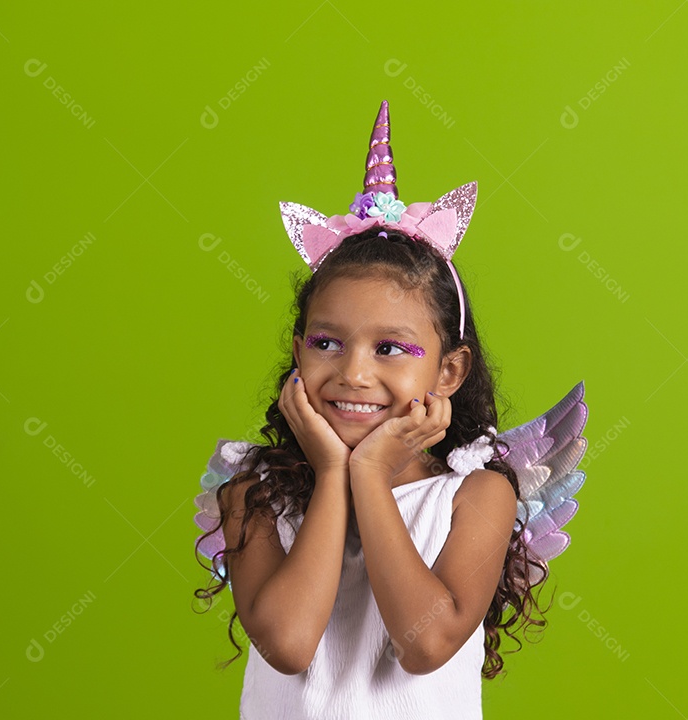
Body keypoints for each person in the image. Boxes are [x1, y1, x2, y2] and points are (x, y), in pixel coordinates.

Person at [194, 100, 589, 719]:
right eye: (327, 342)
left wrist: (370, 475)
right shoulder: (253, 495)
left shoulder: (477, 497)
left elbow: (424, 642)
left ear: (448, 371)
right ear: (298, 352)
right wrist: (332, 474)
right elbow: (290, 644)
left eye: (389, 348)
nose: (353, 372)